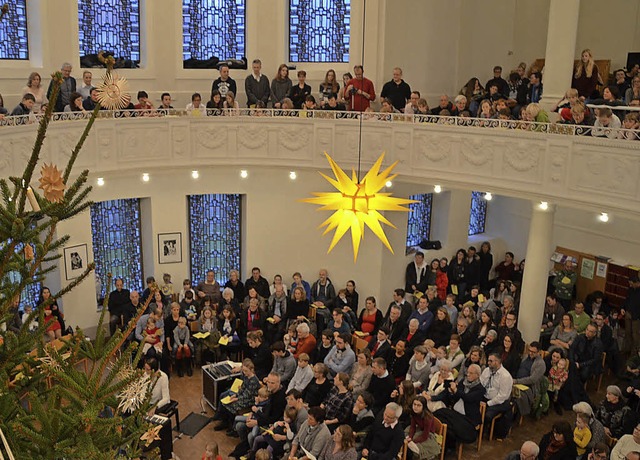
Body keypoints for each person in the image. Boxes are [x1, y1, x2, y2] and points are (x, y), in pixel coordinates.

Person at [213, 358, 261, 431]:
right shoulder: (246, 376)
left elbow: (247, 395)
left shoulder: (254, 381)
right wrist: (236, 395)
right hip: (243, 397)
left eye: (246, 371)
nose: (244, 372)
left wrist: (237, 398)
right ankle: (225, 421)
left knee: (232, 404)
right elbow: (242, 388)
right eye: (243, 370)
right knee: (226, 400)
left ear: (251, 370)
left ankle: (231, 425)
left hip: (249, 400)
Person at [480, 352, 513, 436]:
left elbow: (502, 396)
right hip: (485, 396)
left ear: (497, 362)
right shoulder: (487, 370)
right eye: (488, 360)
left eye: (491, 361)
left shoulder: (505, 376)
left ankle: (483, 431)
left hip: (499, 402)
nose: (488, 363)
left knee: (487, 415)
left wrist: (488, 404)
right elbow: (481, 383)